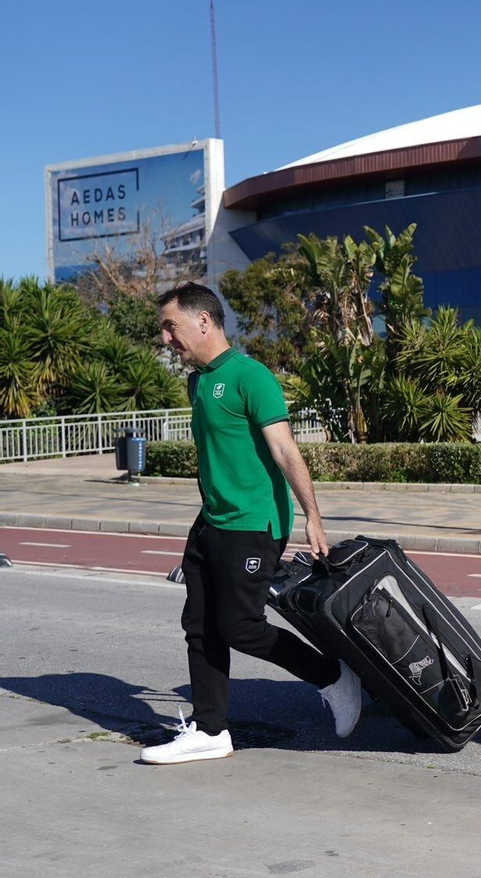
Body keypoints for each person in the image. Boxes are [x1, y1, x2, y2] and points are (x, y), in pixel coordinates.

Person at [139, 283, 361, 764]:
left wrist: (313, 517)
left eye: (170, 326)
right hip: (212, 523)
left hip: (254, 524)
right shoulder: (198, 381)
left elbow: (285, 450)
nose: (164, 339)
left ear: (204, 321)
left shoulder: (250, 377)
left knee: (240, 626)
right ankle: (210, 729)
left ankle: (334, 678)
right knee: (199, 626)